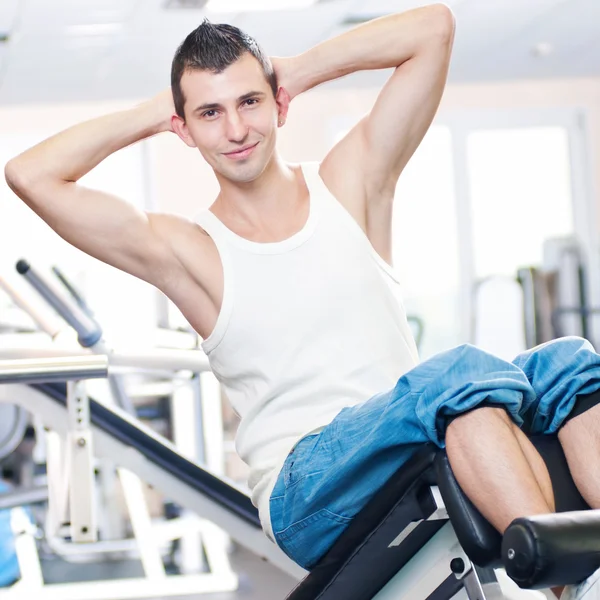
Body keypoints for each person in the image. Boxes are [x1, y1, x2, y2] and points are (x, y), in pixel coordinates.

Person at [4, 4, 600, 598]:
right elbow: (31, 174)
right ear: (184, 128)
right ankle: (557, 588)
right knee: (455, 375)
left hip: (417, 429)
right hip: (306, 489)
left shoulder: (352, 183)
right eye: (210, 113)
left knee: (568, 362)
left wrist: (294, 71)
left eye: (250, 102)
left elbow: (433, 29)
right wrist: (156, 111)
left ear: (277, 103)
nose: (236, 130)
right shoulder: (188, 252)